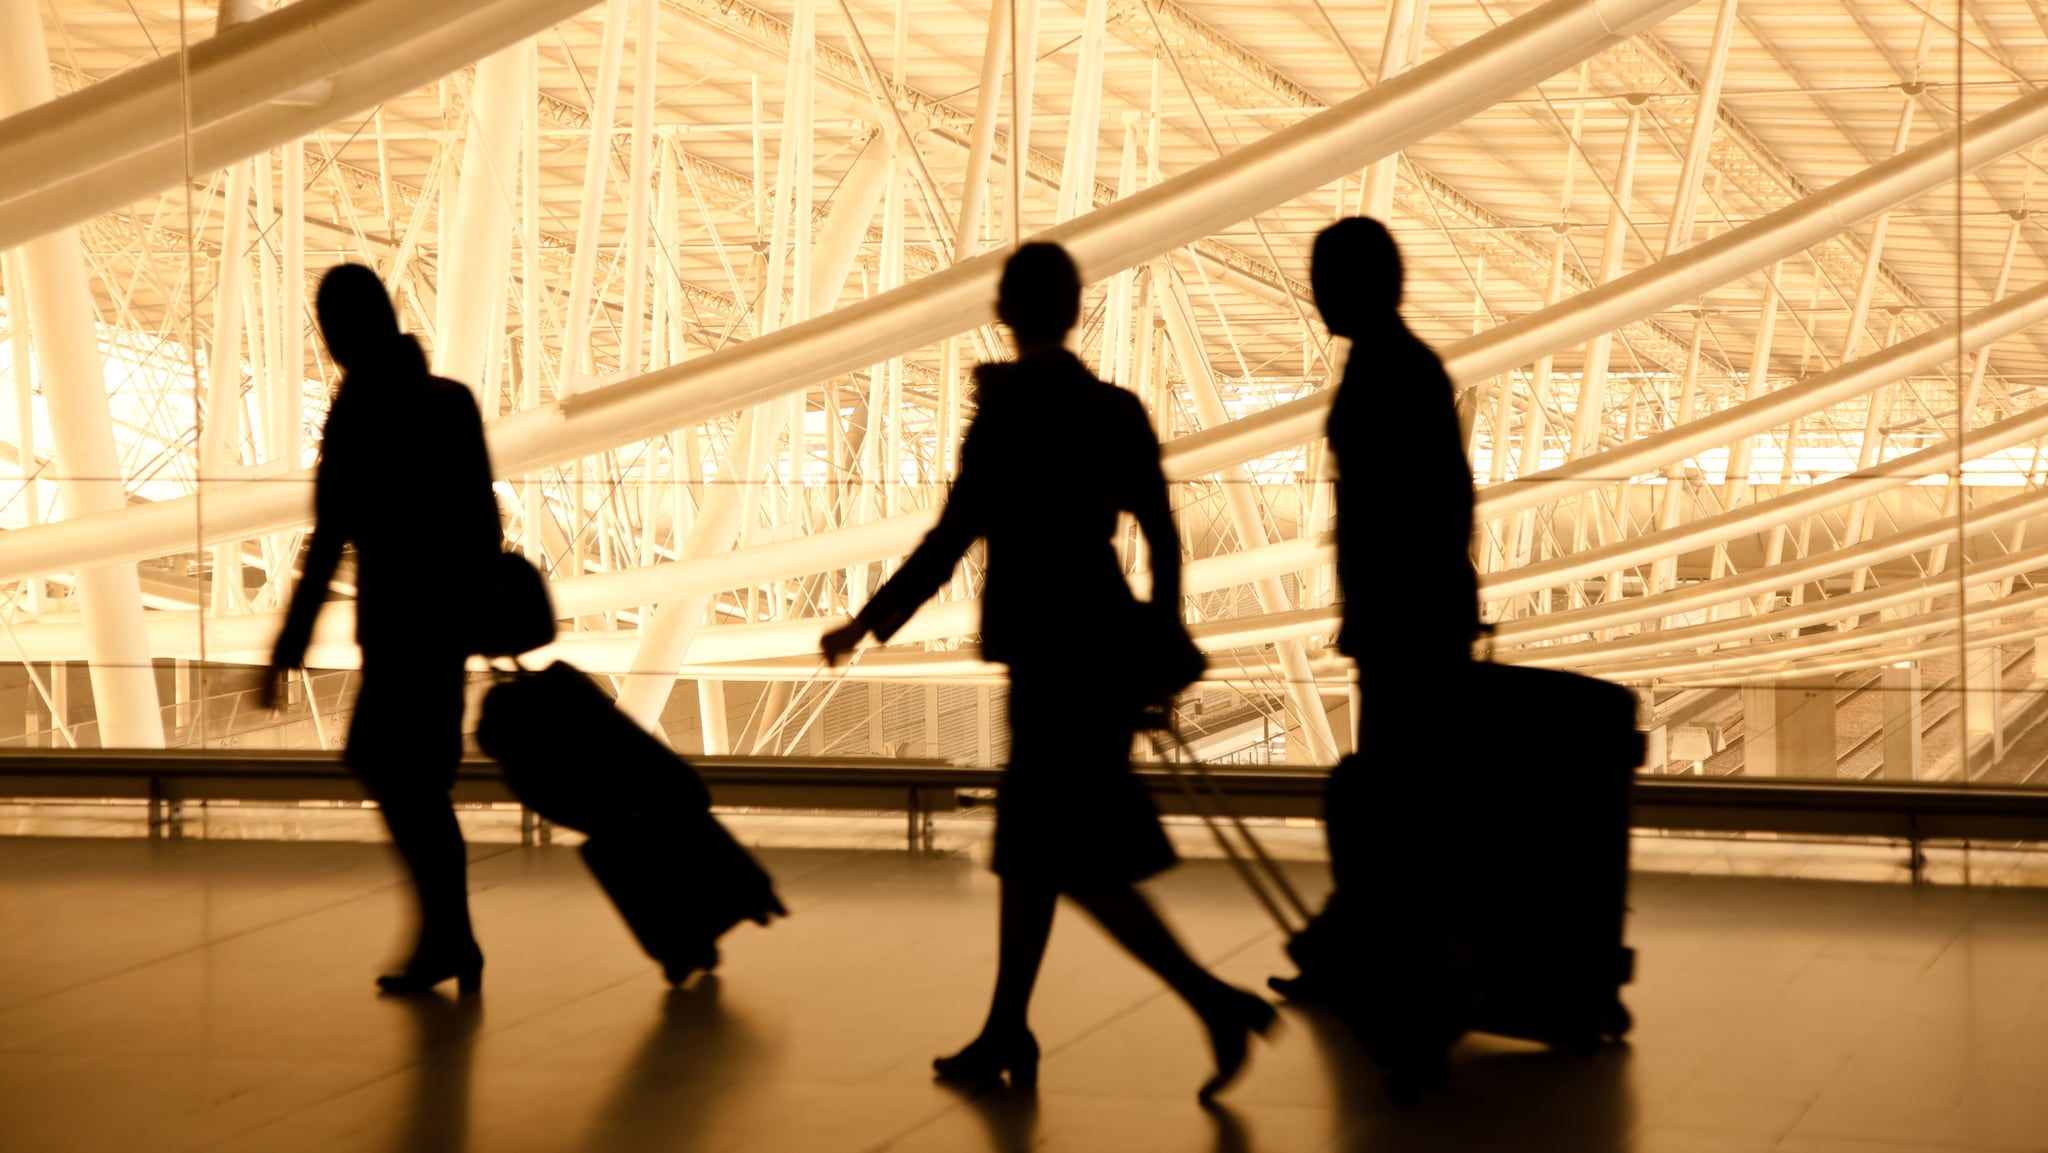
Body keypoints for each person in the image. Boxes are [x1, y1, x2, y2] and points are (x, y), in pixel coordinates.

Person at [821, 243, 1275, 1101]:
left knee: (1061, 856)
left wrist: (866, 623)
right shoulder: (1114, 411)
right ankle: (1009, 1026)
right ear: (1073, 312)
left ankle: (1210, 1001)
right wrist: (1159, 637)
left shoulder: (1005, 418)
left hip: (1043, 656)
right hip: (1101, 648)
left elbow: (950, 541)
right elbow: (1164, 533)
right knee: (1035, 853)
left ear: (1007, 312)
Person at [262, 263, 503, 995]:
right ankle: (449, 936)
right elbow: (485, 525)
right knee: (418, 780)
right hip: (444, 627)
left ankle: (451, 936)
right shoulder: (451, 402)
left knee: (392, 772)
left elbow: (331, 535)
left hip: (397, 625)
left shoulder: (357, 415)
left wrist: (290, 642)